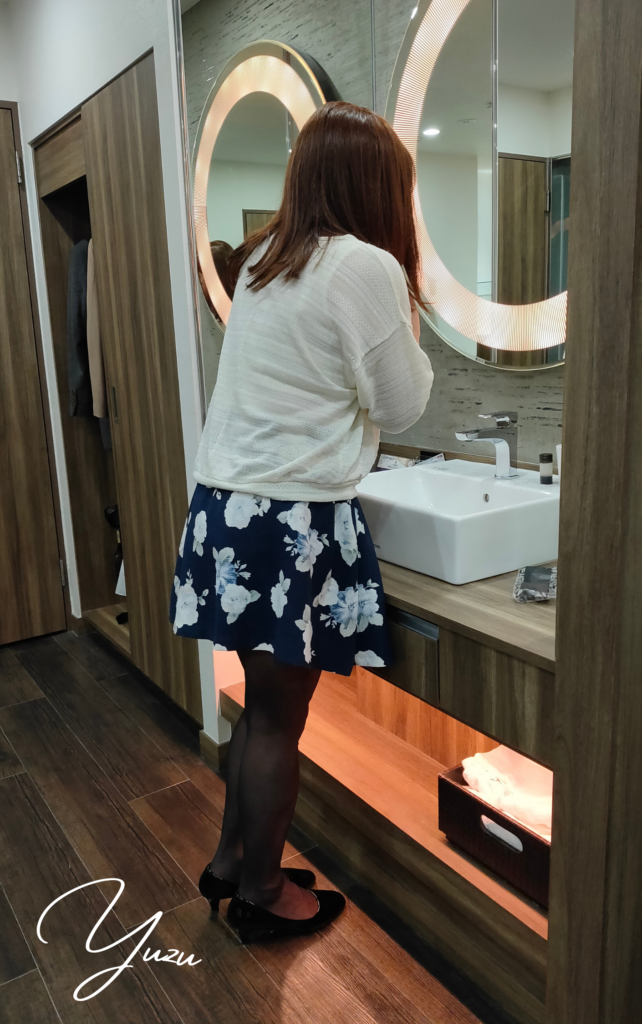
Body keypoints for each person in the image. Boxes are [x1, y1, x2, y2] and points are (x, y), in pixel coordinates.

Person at [170, 100, 434, 944]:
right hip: (289, 522)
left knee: (258, 709)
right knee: (282, 719)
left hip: (226, 512)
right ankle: (262, 890)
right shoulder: (363, 266)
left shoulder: (264, 259)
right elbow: (403, 403)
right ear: (375, 184)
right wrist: (405, 295)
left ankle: (230, 858)